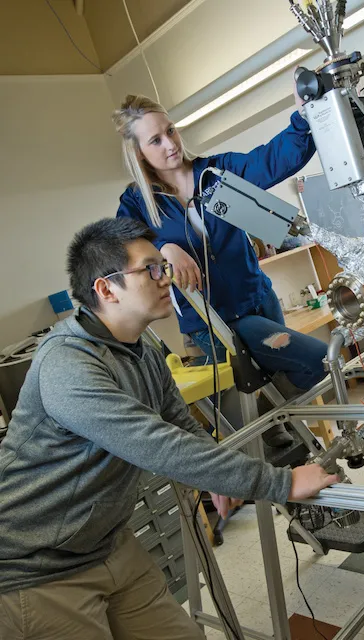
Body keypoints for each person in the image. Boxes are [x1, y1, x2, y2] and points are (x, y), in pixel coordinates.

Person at [0, 218, 338, 640]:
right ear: (106, 288)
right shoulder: (68, 366)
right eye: (151, 269)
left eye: (164, 265)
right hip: (33, 568)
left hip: (104, 542)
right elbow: (155, 444)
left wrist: (215, 478)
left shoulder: (142, 348)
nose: (167, 277)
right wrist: (279, 482)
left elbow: (177, 421)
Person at [114, 92, 328, 448]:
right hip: (212, 323)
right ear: (139, 153)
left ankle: (273, 421)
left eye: (171, 131)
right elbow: (122, 252)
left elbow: (274, 160)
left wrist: (303, 118)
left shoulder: (216, 173)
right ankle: (271, 428)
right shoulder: (137, 202)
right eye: (155, 139)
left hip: (259, 300)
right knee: (315, 363)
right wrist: (163, 248)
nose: (170, 143)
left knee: (279, 403)